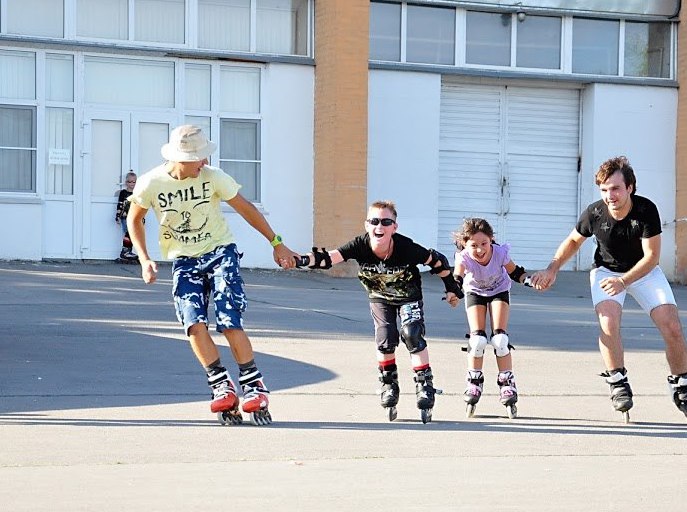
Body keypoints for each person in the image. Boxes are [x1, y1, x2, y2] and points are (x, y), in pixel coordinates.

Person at [127, 124, 298, 426]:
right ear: (180, 158)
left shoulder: (214, 177)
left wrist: (277, 243)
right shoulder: (150, 183)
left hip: (221, 252)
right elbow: (135, 218)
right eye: (199, 158)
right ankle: (221, 383)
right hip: (183, 260)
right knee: (193, 323)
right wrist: (144, 259)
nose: (204, 162)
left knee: (229, 319)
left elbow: (247, 209)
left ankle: (253, 384)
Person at [530, 156, 687, 424]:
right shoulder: (595, 213)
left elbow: (651, 258)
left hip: (643, 272)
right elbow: (573, 241)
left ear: (630, 188)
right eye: (603, 189)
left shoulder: (646, 210)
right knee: (609, 323)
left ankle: (682, 388)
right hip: (606, 272)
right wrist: (552, 268)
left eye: (615, 188)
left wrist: (624, 281)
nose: (609, 195)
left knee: (672, 326)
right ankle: (618, 381)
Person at [294, 200, 463, 424]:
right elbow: (328, 258)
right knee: (385, 337)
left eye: (386, 222)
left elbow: (437, 261)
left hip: (408, 296)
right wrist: (300, 260)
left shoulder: (406, 248)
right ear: (366, 225)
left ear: (395, 227)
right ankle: (388, 383)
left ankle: (424, 385)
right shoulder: (359, 245)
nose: (379, 227)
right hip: (380, 297)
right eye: (374, 221)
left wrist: (452, 289)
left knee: (412, 334)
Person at [452, 218, 529, 419]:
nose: (479, 250)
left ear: (491, 241)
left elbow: (515, 272)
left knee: (500, 340)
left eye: (484, 244)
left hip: (499, 290)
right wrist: (453, 292)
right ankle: (474, 381)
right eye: (473, 245)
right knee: (477, 340)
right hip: (475, 292)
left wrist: (530, 281)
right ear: (465, 245)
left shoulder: (500, 253)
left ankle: (507, 382)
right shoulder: (463, 258)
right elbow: (457, 278)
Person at [115, 171, 138, 261]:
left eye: (134, 182)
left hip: (135, 217)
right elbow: (120, 204)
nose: (131, 184)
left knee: (132, 234)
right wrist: (117, 216)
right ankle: (125, 252)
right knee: (128, 233)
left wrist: (142, 217)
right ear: (126, 183)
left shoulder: (137, 193)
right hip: (125, 217)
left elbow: (140, 206)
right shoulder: (123, 193)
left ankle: (127, 251)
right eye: (129, 182)